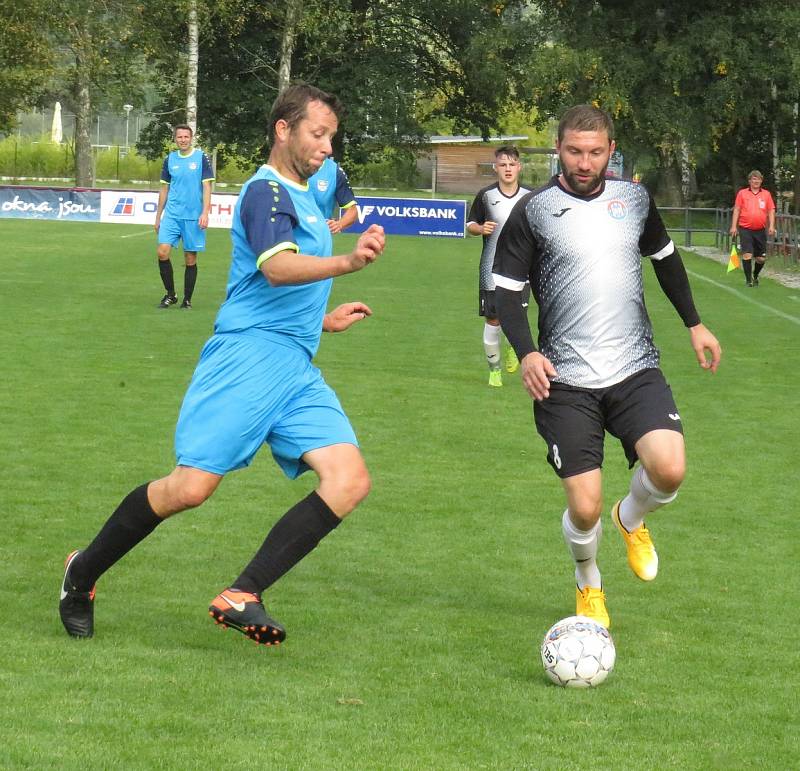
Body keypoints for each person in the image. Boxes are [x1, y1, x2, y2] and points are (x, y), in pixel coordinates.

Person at [60, 84, 386, 646]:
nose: (327, 147)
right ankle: (82, 572)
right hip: (246, 359)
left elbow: (275, 288)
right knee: (188, 489)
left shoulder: (307, 196)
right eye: (318, 134)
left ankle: (244, 593)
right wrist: (349, 261)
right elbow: (278, 270)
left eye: (331, 136)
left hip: (295, 366)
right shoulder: (266, 192)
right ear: (283, 129)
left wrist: (322, 320)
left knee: (350, 479)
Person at [492, 105, 722, 628]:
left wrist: (695, 323)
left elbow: (665, 258)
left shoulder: (634, 200)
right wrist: (527, 350)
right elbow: (506, 293)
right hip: (565, 380)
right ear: (558, 149)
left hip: (634, 368)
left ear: (610, 151)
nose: (584, 161)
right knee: (585, 507)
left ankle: (632, 517)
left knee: (669, 469)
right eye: (574, 151)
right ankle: (588, 580)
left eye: (595, 152)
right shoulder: (535, 211)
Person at [467, 146, 532, 387]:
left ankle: (514, 350)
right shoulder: (485, 196)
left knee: (517, 317)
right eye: (503, 164)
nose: (507, 168)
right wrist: (479, 228)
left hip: (521, 269)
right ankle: (494, 371)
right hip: (491, 270)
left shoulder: (529, 196)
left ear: (519, 167)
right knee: (493, 321)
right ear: (496, 167)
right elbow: (470, 224)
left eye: (512, 164)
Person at [154, 124, 214, 309]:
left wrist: (205, 212)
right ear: (175, 139)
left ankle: (187, 300)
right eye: (179, 137)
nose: (183, 140)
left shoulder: (201, 157)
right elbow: (164, 188)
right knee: (162, 252)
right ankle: (171, 294)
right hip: (172, 215)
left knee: (190, 258)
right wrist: (158, 217)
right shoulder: (170, 159)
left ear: (191, 137)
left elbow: (207, 187)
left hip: (193, 217)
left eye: (186, 137)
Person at [729, 170, 776, 287]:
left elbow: (771, 210)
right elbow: (737, 209)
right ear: (749, 181)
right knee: (747, 255)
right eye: (754, 179)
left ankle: (755, 275)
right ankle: (748, 280)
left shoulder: (766, 194)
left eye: (758, 179)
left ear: (761, 180)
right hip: (745, 228)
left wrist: (771, 225)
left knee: (760, 259)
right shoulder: (742, 193)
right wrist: (734, 226)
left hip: (760, 230)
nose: (756, 181)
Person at [309, 156, 359, 234]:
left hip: (319, 237)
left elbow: (352, 211)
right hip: (289, 235)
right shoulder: (287, 164)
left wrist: (339, 224)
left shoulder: (334, 171)